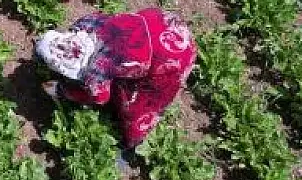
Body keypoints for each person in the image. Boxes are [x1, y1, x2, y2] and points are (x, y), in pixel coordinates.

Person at [36, 9, 197, 148]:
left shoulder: (97, 71)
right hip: (159, 23)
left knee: (137, 107)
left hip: (171, 58)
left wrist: (63, 91)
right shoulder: (86, 24)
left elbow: (99, 97)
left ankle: (134, 142)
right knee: (122, 70)